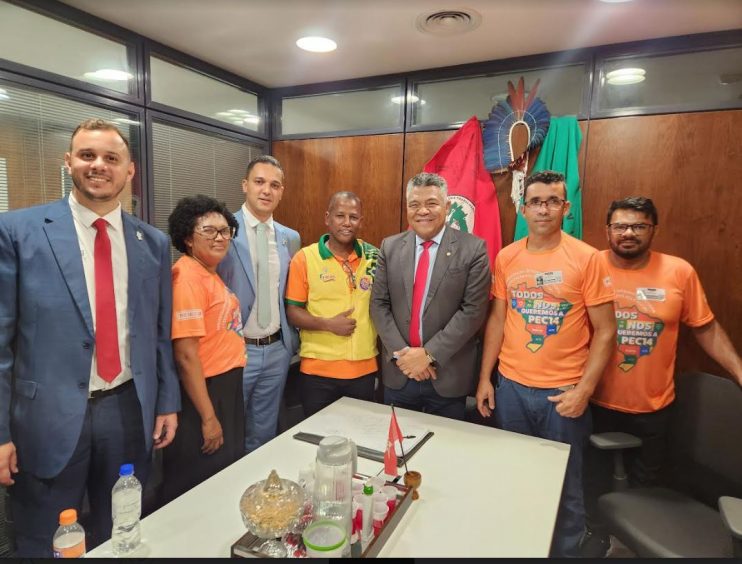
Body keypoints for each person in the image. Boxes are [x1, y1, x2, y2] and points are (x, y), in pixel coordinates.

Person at [0, 119, 180, 556]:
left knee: (120, 528)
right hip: (46, 417)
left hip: (128, 409)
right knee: (44, 539)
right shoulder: (19, 232)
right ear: (68, 162)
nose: (99, 165)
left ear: (129, 170)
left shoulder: (152, 243)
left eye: (111, 158)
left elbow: (159, 333)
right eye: (87, 155)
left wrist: (167, 401)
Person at [581, 196, 742, 557]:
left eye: (638, 226)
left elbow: (706, 328)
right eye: (620, 226)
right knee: (591, 482)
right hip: (594, 401)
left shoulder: (679, 272)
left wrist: (739, 371)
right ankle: (595, 537)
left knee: (648, 491)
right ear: (607, 230)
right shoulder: (590, 265)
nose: (628, 233)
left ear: (653, 229)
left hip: (653, 406)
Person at [475, 170, 616, 557]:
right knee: (516, 477)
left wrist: (584, 391)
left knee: (566, 486)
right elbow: (497, 320)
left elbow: (607, 331)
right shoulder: (507, 256)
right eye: (536, 202)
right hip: (511, 391)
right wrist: (485, 378)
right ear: (523, 209)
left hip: (562, 396)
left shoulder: (587, 259)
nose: (543, 209)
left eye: (553, 201)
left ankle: (564, 552)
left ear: (566, 208)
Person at [370, 172, 490, 420]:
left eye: (431, 203)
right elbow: (379, 304)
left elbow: (472, 312)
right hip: (399, 371)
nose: (422, 211)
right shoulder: (389, 247)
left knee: (446, 443)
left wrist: (428, 355)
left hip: (447, 374)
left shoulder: (473, 249)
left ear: (447, 206)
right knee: (397, 440)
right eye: (414, 204)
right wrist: (404, 356)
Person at [162, 195, 246, 504]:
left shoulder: (207, 272)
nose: (219, 237)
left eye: (225, 231)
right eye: (209, 230)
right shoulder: (186, 277)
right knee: (199, 482)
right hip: (204, 392)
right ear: (187, 237)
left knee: (224, 473)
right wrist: (209, 418)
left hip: (224, 386)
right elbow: (186, 356)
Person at [217, 155, 300, 453]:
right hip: (237, 351)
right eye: (259, 182)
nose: (266, 190)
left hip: (277, 350)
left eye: (274, 185)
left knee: (263, 434)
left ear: (282, 191)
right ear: (245, 185)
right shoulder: (223, 231)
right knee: (228, 431)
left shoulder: (291, 238)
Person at [285, 192, 379, 417]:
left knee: (360, 434)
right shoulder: (305, 258)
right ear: (327, 218)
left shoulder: (374, 257)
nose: (347, 223)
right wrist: (328, 324)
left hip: (363, 371)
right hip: (318, 373)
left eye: (353, 217)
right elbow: (293, 312)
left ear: (361, 221)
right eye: (340, 216)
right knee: (318, 435)